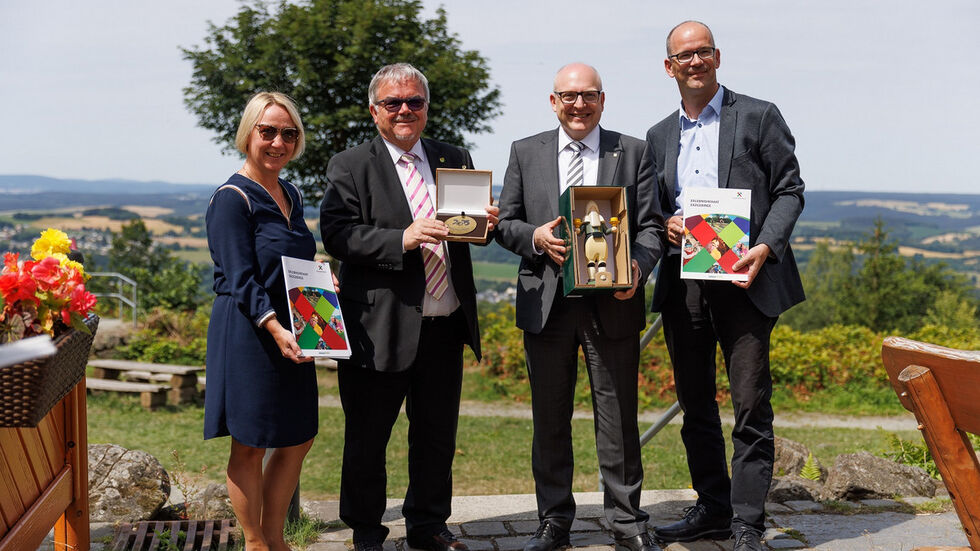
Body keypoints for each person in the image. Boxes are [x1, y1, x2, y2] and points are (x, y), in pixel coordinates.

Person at [318, 63, 499, 551]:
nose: (405, 110)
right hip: (379, 326)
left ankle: (428, 526)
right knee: (367, 438)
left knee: (437, 437)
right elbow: (338, 234)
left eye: (414, 102)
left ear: (425, 107)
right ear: (374, 110)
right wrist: (402, 237)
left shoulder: (452, 155)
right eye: (393, 103)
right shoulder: (349, 164)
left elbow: (466, 229)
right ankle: (366, 532)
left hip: (445, 322)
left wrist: (484, 222)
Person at [645, 21, 805, 551]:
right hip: (684, 282)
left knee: (750, 406)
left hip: (746, 279)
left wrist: (767, 245)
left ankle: (747, 523)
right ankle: (712, 508)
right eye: (684, 55)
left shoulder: (758, 115)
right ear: (669, 67)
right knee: (696, 406)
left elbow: (789, 190)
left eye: (704, 51)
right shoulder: (659, 134)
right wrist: (666, 222)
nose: (695, 61)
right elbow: (656, 205)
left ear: (718, 57)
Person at [495, 63, 665, 551]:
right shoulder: (525, 152)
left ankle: (627, 520)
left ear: (602, 100)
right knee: (549, 419)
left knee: (619, 418)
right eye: (569, 96)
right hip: (546, 304)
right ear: (554, 102)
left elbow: (651, 226)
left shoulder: (632, 151)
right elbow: (505, 222)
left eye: (588, 95)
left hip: (612, 303)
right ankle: (553, 522)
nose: (578, 105)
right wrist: (535, 236)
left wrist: (637, 265)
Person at [204, 91, 320, 551]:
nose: (278, 142)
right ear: (248, 133)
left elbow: (298, 264)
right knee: (250, 443)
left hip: (296, 328)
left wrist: (319, 313)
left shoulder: (290, 192)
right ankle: (255, 543)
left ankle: (276, 538)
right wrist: (275, 327)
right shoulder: (231, 198)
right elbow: (241, 277)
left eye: (288, 133)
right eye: (267, 131)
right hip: (250, 331)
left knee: (298, 437)